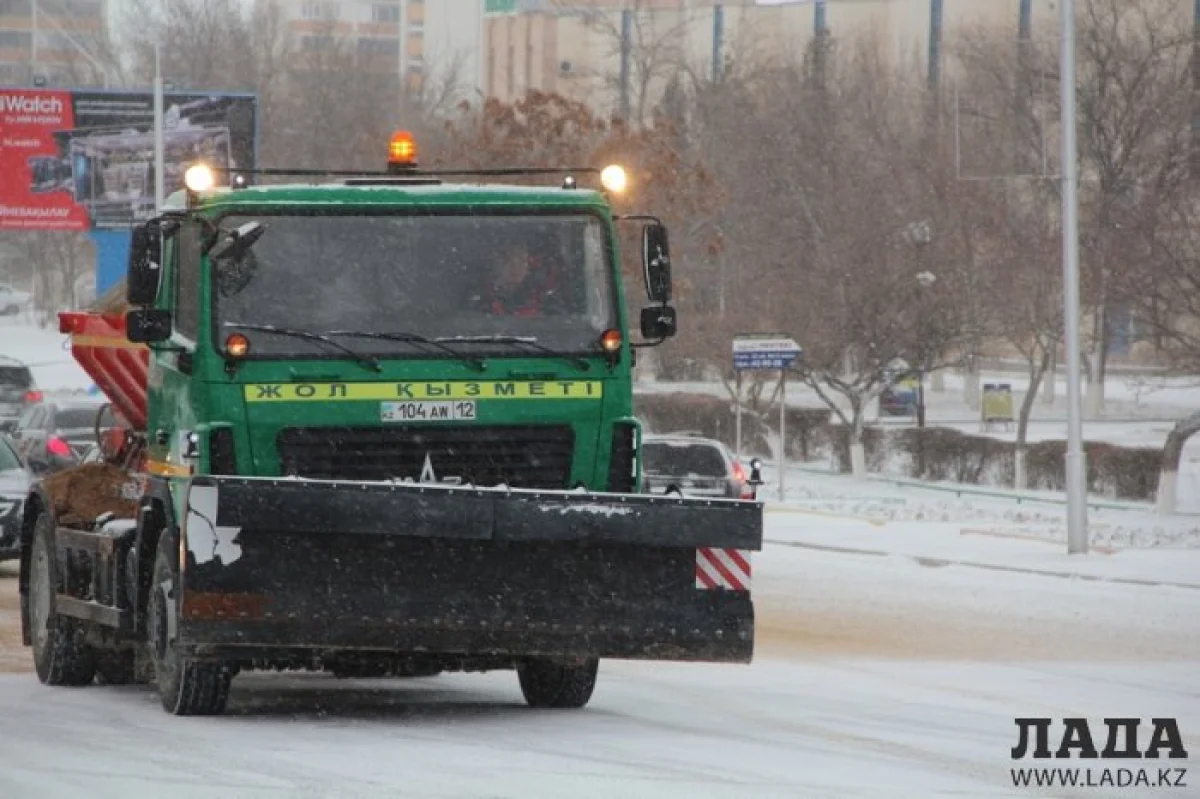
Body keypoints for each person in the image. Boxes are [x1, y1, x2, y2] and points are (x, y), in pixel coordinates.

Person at [485, 241, 563, 317]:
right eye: (508, 261)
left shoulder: (541, 299)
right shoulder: (484, 300)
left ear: (528, 267)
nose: (516, 267)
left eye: (522, 261)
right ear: (497, 265)